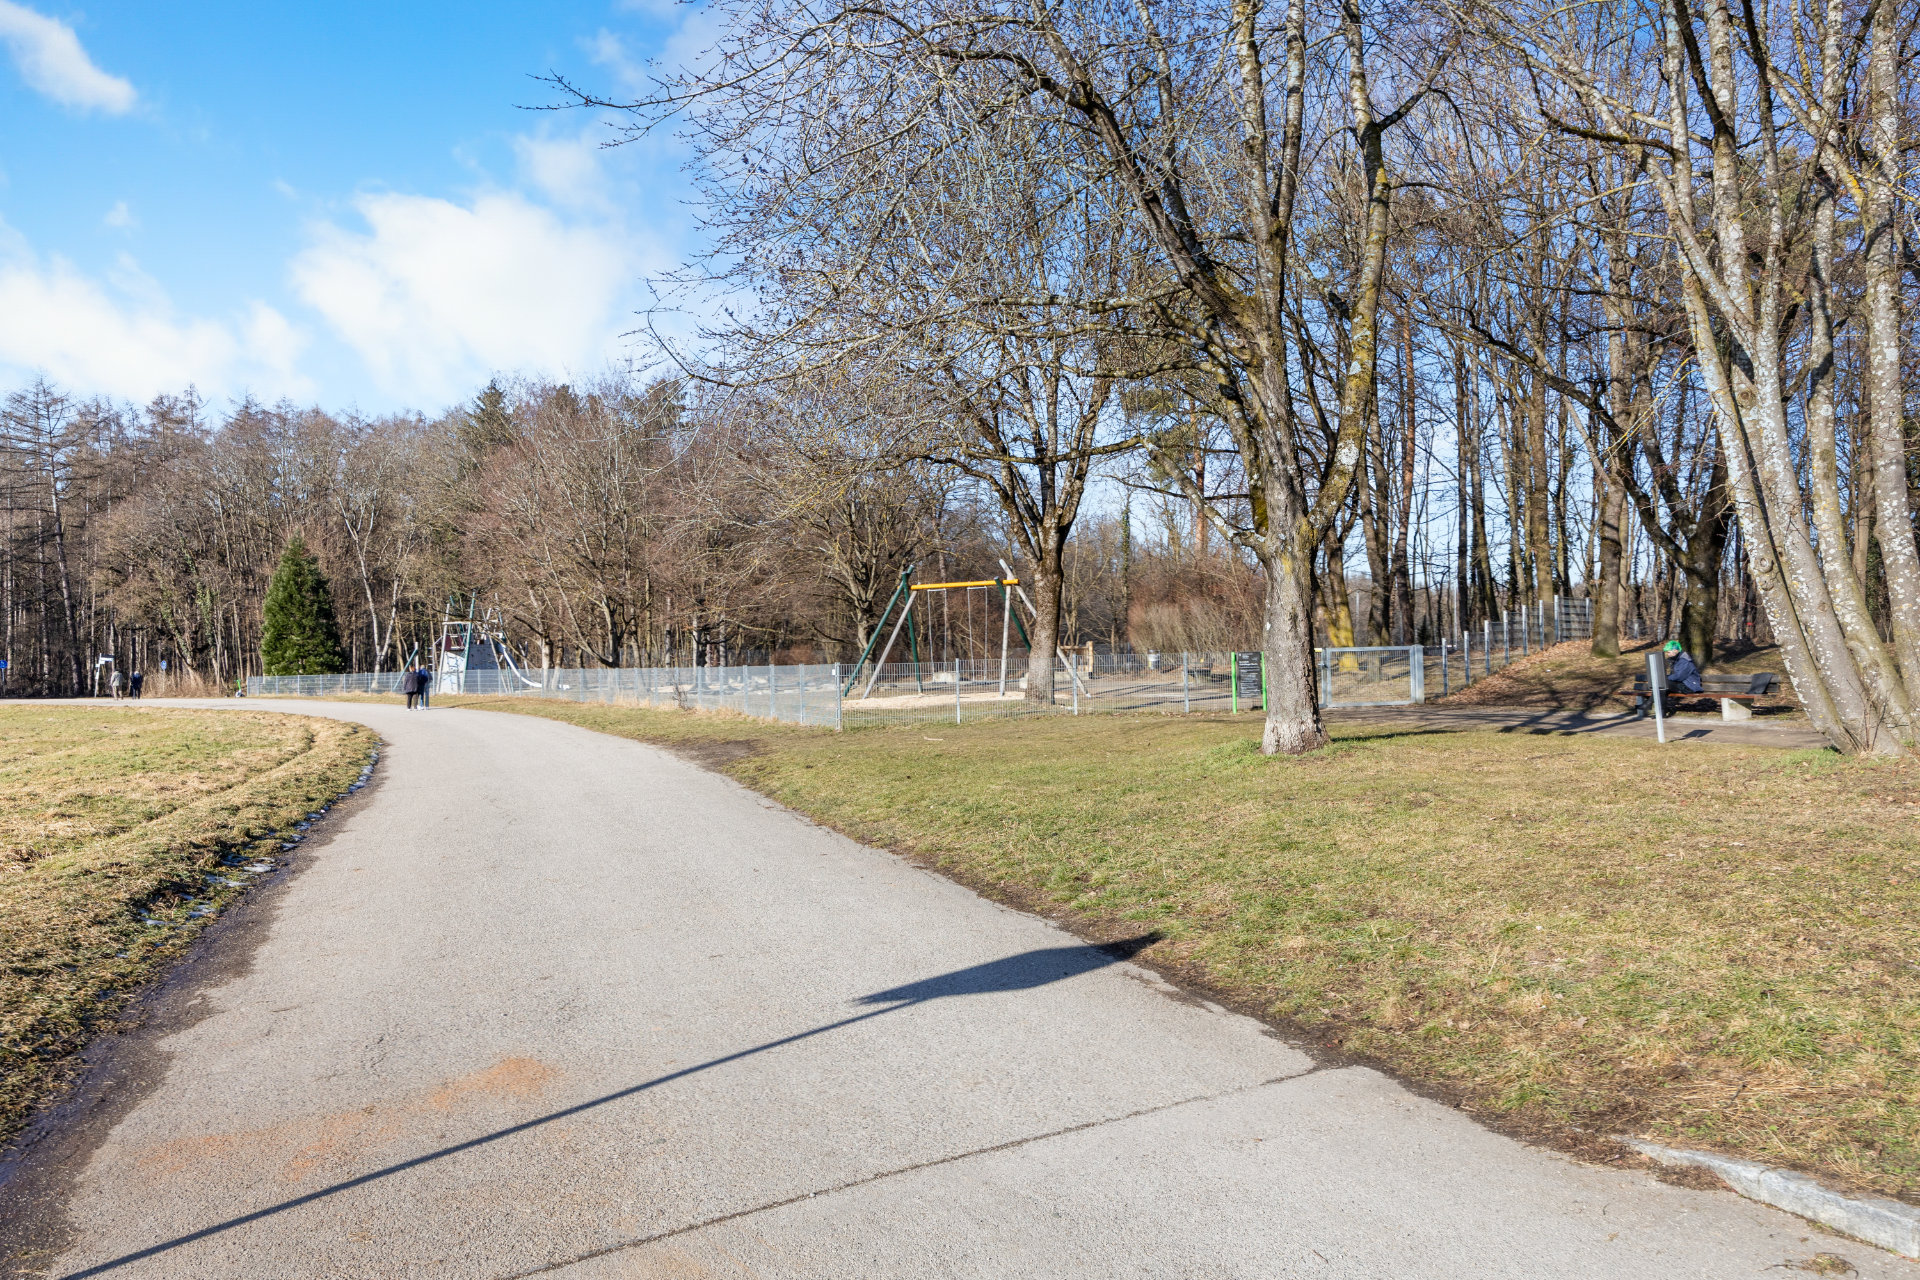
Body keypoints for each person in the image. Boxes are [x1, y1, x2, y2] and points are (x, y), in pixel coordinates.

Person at [1662, 639, 1702, 714]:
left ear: (1675, 650)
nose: (1667, 654)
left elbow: (1679, 676)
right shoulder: (1675, 660)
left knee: (1663, 683)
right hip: (1681, 684)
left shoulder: (1685, 661)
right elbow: (1674, 675)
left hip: (1690, 686)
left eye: (1669, 652)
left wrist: (1666, 677)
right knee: (1662, 688)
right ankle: (1661, 711)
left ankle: (1652, 706)